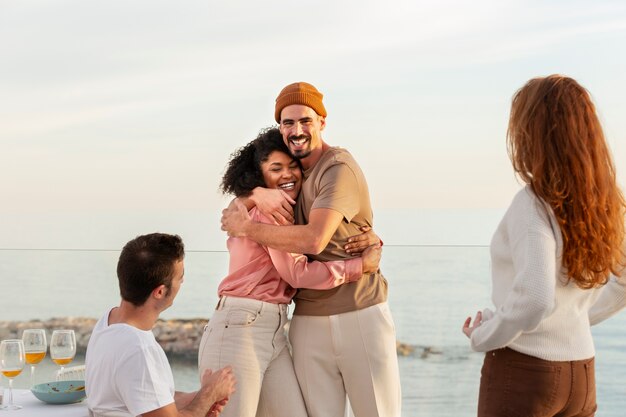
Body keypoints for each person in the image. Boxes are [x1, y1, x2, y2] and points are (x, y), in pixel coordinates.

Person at [221, 82, 401, 417]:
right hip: (306, 323)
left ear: (322, 121)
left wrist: (247, 226)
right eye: (288, 123)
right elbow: (233, 213)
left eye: (305, 120)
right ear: (280, 129)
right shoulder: (289, 179)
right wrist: (253, 196)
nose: (297, 130)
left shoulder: (337, 168)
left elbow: (315, 239)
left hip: (359, 312)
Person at [462, 75, 626, 417]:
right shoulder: (607, 202)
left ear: (532, 134)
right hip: (581, 373)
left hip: (524, 373)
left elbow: (536, 299)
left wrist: (485, 334)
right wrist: (572, 317)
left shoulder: (533, 203)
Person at [85, 233, 236, 417]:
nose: (183, 282)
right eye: (180, 277)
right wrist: (209, 393)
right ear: (159, 291)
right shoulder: (139, 349)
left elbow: (147, 397)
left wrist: (198, 397)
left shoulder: (108, 322)